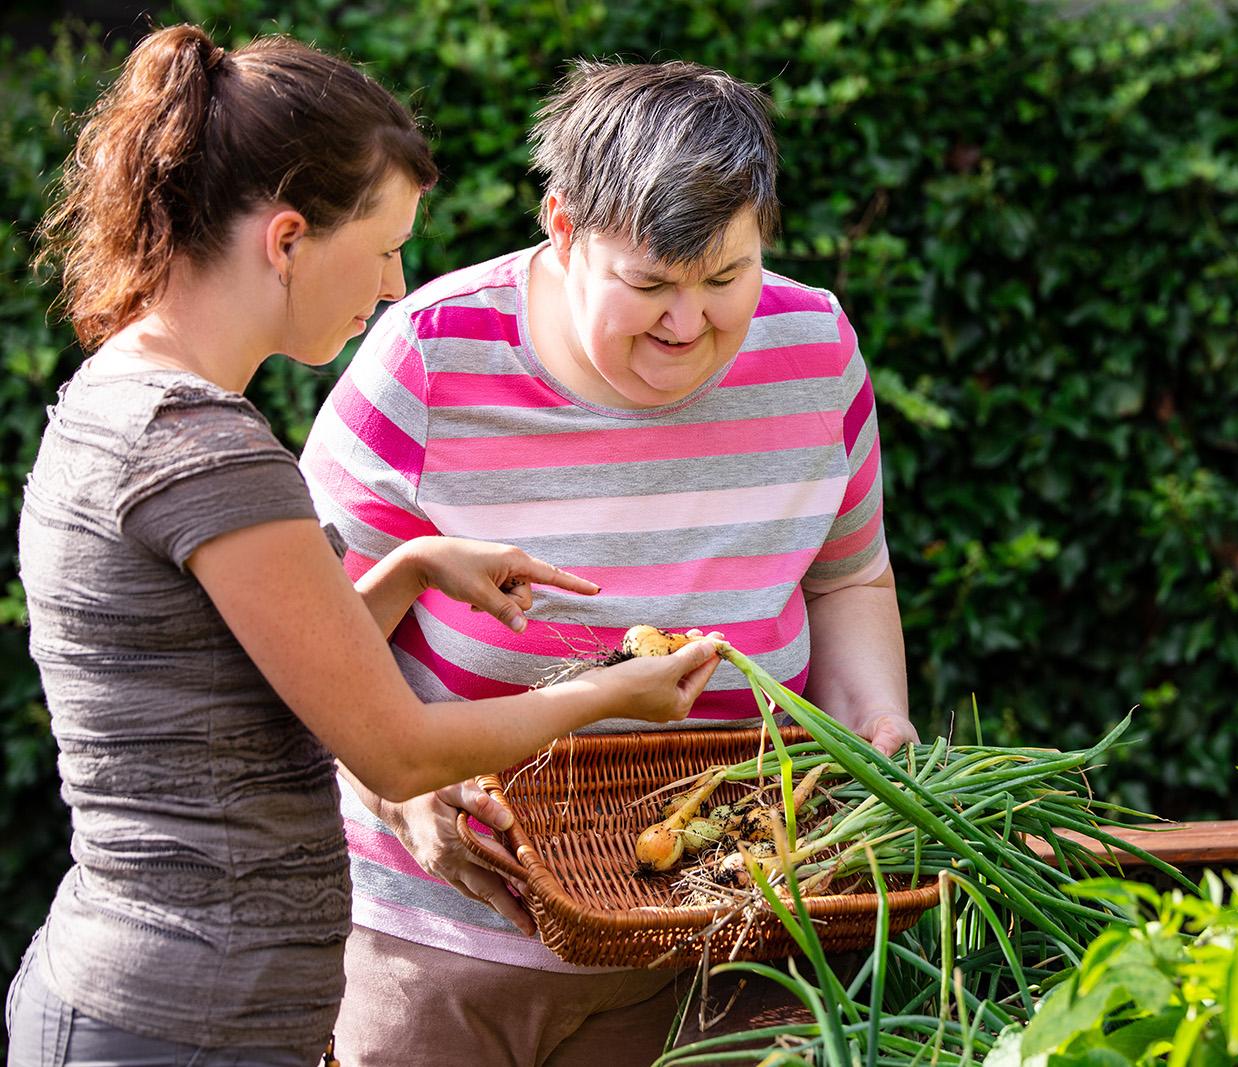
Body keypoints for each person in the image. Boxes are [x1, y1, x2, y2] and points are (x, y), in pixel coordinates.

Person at [4, 28, 720, 1067]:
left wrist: (416, 567)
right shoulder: (202, 445)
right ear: (288, 238)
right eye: (382, 248)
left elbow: (253, 678)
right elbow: (393, 745)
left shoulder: (126, 395)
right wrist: (614, 693)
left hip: (160, 1002)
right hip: (182, 1019)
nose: (392, 286)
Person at [299, 59, 917, 1065]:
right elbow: (302, 643)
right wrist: (394, 782)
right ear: (563, 227)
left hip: (731, 937)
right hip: (446, 944)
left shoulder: (814, 350)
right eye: (650, 285)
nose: (688, 325)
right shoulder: (429, 357)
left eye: (725, 279)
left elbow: (847, 576)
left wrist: (872, 716)